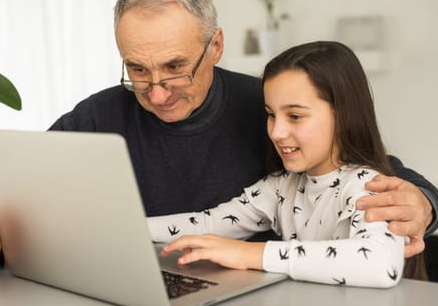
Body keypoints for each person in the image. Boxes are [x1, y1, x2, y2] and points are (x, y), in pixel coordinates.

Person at [0, 0, 438, 291]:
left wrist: (424, 201)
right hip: (147, 288)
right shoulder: (98, 115)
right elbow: (20, 180)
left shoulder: (265, 107)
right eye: (137, 69)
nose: (157, 92)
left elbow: (381, 177)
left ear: (216, 45)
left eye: (176, 67)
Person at [148, 41, 408, 288]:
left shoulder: (368, 187)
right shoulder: (282, 187)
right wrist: (128, 228)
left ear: (343, 115)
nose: (276, 132)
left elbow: (381, 264)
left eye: (295, 116)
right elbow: (209, 224)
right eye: (271, 115)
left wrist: (250, 254)